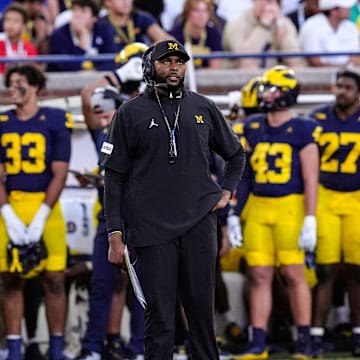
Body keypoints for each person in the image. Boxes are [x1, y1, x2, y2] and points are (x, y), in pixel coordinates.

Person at [100, 39, 246, 359]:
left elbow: (235, 155)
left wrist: (226, 191)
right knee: (160, 316)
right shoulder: (129, 112)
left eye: (179, 61)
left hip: (198, 220)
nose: (174, 67)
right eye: (166, 61)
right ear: (150, 66)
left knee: (200, 314)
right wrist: (115, 233)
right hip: (150, 226)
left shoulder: (203, 106)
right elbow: (114, 177)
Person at [234, 65, 320, 359]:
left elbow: (311, 177)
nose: (265, 93)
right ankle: (258, 342)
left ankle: (304, 341)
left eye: (272, 88)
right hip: (259, 205)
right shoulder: (253, 126)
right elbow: (244, 175)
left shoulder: (304, 128)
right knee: (258, 274)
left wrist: (310, 217)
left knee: (294, 274)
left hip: (290, 206)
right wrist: (235, 212)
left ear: (287, 94)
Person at [76, 42, 149, 360]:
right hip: (111, 216)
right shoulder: (108, 128)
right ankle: (93, 347)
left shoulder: (153, 119)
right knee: (102, 284)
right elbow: (87, 97)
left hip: (145, 215)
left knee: (143, 290)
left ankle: (141, 348)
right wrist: (118, 76)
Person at [0, 64, 72, 360]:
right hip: (11, 204)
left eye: (19, 83)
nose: (13, 89)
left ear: (34, 86)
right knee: (10, 279)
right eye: (10, 83)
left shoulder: (54, 119)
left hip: (47, 206)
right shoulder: (3, 121)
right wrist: (7, 212)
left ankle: (56, 348)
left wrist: (42, 213)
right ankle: (15, 348)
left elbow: (60, 172)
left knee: (54, 278)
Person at [308, 70, 360, 357]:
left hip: (356, 198)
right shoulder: (317, 119)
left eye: (348, 87)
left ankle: (357, 333)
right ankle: (316, 333)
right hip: (325, 196)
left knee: (357, 270)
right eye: (338, 86)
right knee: (326, 269)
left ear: (358, 92)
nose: (341, 91)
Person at [222, 0, 304, 69]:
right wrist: (263, 26)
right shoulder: (238, 23)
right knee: (249, 67)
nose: (264, 5)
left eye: (269, 1)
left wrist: (282, 30)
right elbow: (245, 59)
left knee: (296, 67)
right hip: (238, 73)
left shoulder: (284, 22)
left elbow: (294, 58)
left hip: (272, 74)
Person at [48, 0, 115, 72]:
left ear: (94, 18)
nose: (77, 15)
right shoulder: (58, 36)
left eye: (83, 11)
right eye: (75, 10)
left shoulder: (104, 31)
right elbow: (65, 68)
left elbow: (111, 62)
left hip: (98, 78)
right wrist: (82, 45)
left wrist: (94, 71)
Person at [299, 0, 359, 67]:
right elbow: (315, 61)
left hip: (351, 75)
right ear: (333, 11)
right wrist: (342, 68)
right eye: (345, 7)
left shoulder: (351, 26)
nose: (349, 8)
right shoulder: (311, 26)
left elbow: (356, 57)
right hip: (319, 76)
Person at [98, 0, 170, 53]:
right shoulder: (100, 25)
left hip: (140, 67)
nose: (125, 2)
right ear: (107, 2)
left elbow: (167, 40)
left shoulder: (141, 18)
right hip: (110, 68)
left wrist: (153, 50)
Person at [169, 0, 223, 69]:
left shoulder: (214, 35)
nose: (201, 15)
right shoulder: (174, 35)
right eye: (196, 11)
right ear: (187, 13)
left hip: (208, 78)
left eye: (205, 11)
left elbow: (215, 68)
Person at [0, 3, 38, 74]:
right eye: (7, 20)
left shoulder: (30, 48)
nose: (10, 24)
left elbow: (32, 73)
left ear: (24, 26)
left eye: (16, 21)